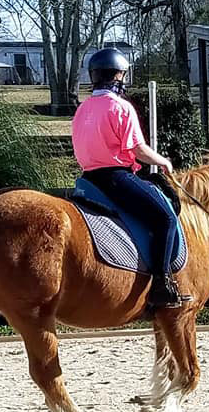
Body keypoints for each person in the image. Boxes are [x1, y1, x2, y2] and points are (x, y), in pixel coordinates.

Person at [72, 47, 192, 309]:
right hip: (115, 177)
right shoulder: (121, 108)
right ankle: (162, 284)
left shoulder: (83, 109)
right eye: (122, 75)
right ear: (117, 76)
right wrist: (163, 161)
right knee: (165, 218)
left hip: (87, 179)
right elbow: (137, 150)